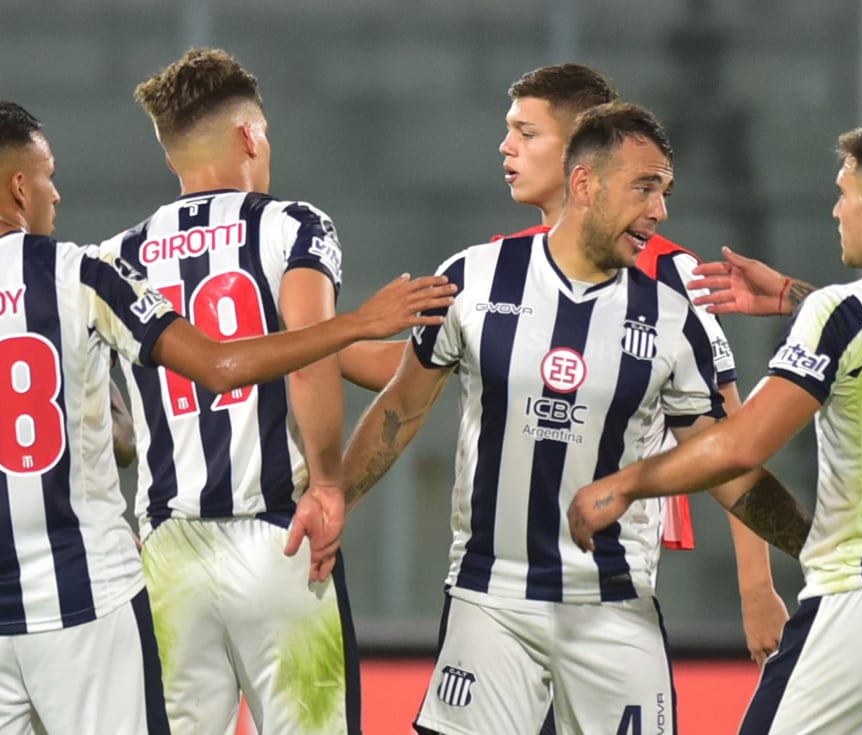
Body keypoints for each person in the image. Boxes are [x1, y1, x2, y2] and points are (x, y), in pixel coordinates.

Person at [343, 102, 802, 735]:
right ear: (585, 184)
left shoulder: (677, 317)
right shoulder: (475, 278)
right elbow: (402, 405)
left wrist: (819, 548)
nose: (660, 210)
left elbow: (726, 460)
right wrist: (334, 500)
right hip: (489, 597)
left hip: (614, 605)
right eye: (645, 187)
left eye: (665, 191)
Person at [0, 101, 452, 735]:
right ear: (250, 134)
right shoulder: (281, 228)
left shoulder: (123, 249)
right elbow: (292, 355)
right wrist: (329, 481)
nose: (57, 191)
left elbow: (105, 417)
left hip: (166, 555)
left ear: (168, 153)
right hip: (275, 539)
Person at [568, 119, 862, 734]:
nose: (836, 209)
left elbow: (740, 445)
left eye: (844, 193)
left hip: (861, 609)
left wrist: (626, 484)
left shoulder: (841, 311)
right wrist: (799, 297)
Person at [497, 63, 806, 666]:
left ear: (580, 155)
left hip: (613, 569)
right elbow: (411, 374)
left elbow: (727, 431)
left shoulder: (671, 274)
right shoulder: (495, 266)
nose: (507, 146)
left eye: (527, 133)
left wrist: (756, 586)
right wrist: (319, 341)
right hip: (503, 573)